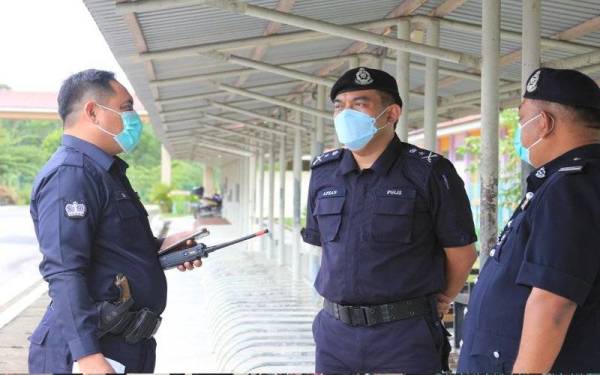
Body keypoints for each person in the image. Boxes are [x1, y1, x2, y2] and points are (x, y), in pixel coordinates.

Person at [301, 67, 478, 373]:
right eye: (339, 106)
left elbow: (462, 252)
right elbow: (325, 248)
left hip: (403, 335)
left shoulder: (429, 172)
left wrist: (444, 299)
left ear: (391, 113)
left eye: (359, 104)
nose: (345, 114)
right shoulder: (323, 173)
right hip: (335, 335)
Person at [28, 69, 201, 373]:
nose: (134, 118)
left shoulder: (105, 173)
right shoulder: (71, 175)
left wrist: (161, 250)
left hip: (125, 345)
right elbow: (64, 269)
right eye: (126, 108)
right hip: (92, 351)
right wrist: (87, 355)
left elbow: (113, 251)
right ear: (93, 112)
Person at [457, 67, 600, 373]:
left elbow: (553, 302)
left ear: (544, 123)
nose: (520, 133)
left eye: (522, 121)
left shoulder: (571, 187)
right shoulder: (572, 182)